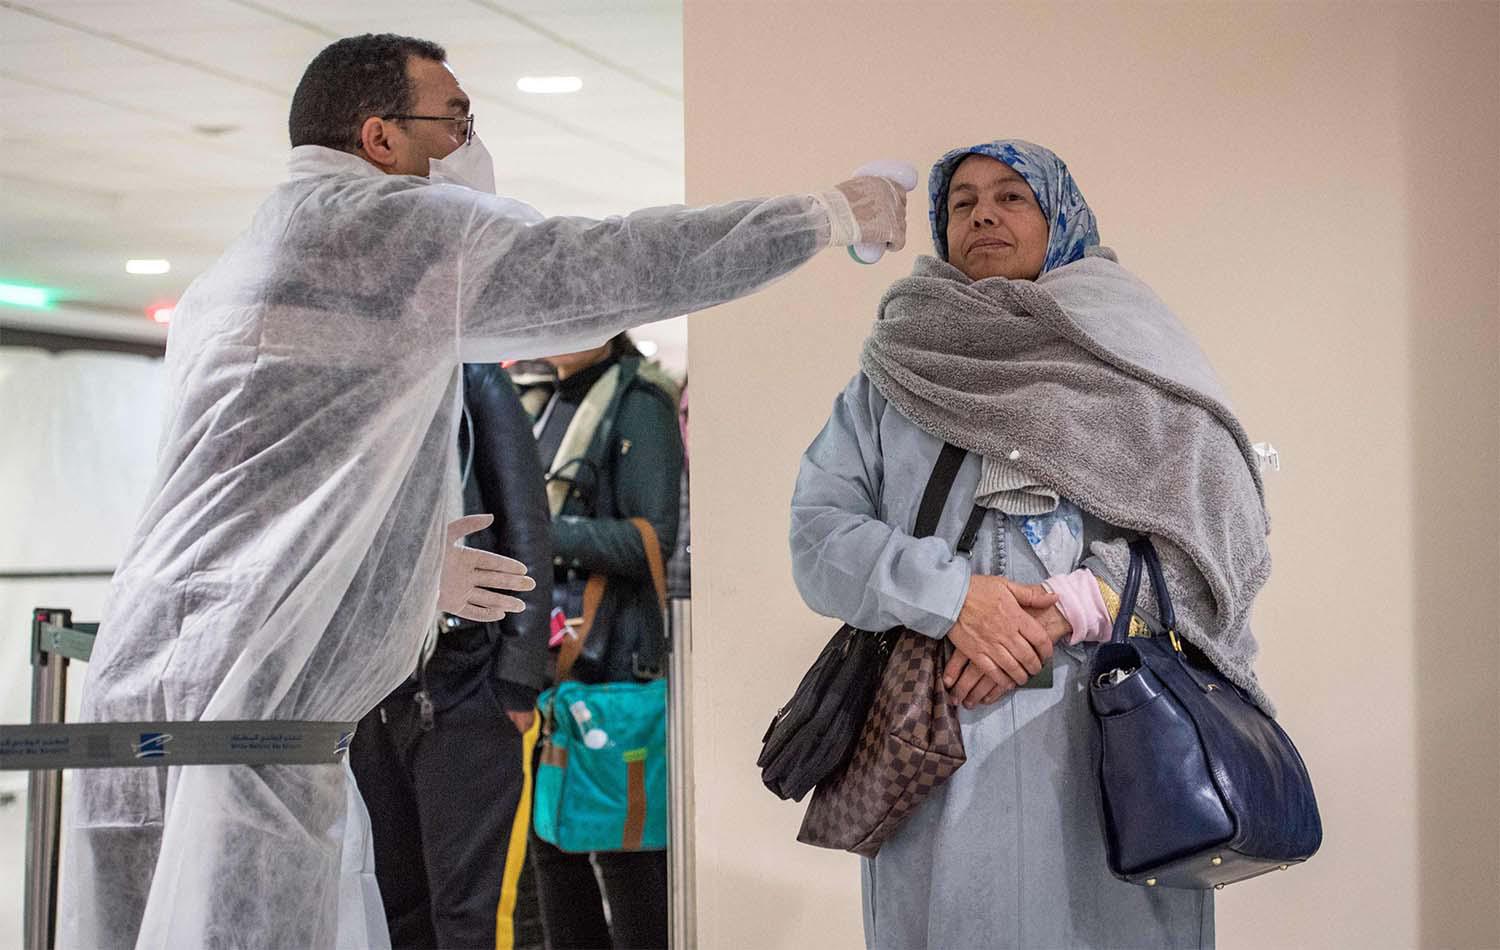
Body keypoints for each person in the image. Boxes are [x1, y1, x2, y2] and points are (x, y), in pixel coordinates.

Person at [60, 32, 908, 950]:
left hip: (141, 675)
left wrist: (395, 569)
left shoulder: (240, 266)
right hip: (259, 708)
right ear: (380, 137)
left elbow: (252, 488)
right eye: (456, 120)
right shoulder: (393, 225)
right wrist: (826, 216)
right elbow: (622, 264)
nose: (469, 142)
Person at [789, 139, 1272, 949]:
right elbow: (818, 535)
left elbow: (1222, 533)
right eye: (963, 201)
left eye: (1012, 196)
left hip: (1113, 730)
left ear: (1060, 217)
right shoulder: (896, 372)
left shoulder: (1137, 358)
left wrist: (1078, 604)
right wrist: (952, 599)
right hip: (936, 732)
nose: (984, 213)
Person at [349, 360, 552, 950]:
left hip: (470, 686)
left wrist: (515, 682)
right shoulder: (365, 384)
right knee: (395, 902)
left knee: (473, 915)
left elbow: (527, 532)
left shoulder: (477, 382)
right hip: (378, 691)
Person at [511, 333, 681, 949]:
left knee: (624, 854)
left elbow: (652, 540)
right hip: (547, 667)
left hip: (612, 665)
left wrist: (538, 532)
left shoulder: (640, 402)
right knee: (554, 850)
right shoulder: (537, 397)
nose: (557, 326)